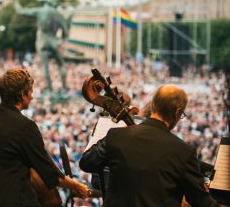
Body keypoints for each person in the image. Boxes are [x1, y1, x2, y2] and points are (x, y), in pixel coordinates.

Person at [79, 84, 217, 207]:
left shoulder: (116, 136)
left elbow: (86, 163)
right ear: (178, 113)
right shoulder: (184, 151)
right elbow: (201, 201)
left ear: (153, 106)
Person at [0, 67, 90, 206]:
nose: (32, 96)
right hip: (13, 200)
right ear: (23, 94)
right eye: (31, 91)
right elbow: (50, 174)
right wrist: (77, 186)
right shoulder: (25, 126)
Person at [13, 0, 70, 91]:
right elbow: (65, 31)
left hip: (43, 41)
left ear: (43, 2)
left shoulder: (39, 11)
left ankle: (49, 88)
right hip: (54, 41)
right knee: (61, 65)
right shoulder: (58, 14)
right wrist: (62, 41)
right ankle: (64, 87)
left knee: (45, 66)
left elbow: (20, 10)